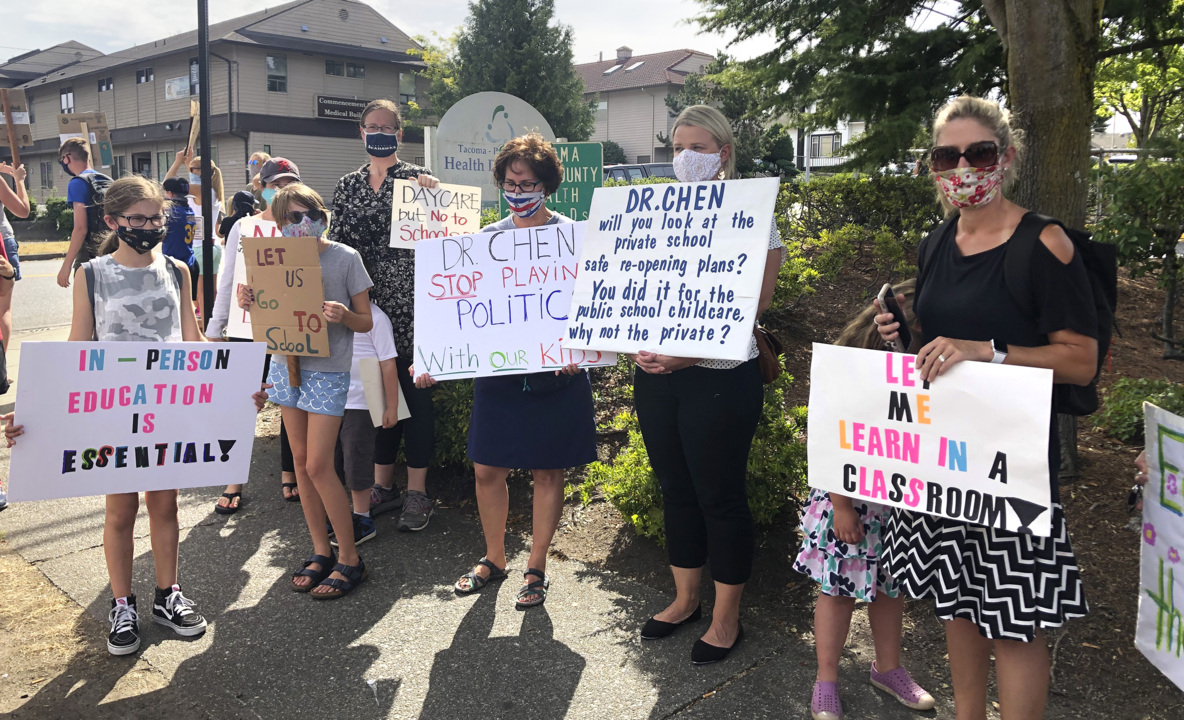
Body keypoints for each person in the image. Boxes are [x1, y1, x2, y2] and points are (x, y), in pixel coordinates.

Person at [874, 96, 1095, 720]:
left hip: (1013, 465)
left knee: (1015, 622)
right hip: (947, 460)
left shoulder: (1044, 242)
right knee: (958, 605)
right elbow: (944, 349)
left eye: (980, 152)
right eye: (947, 156)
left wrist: (988, 350)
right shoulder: (937, 242)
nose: (964, 167)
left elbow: (1080, 360)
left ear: (1008, 157)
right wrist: (907, 339)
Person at [4, 175, 266, 655]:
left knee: (165, 506)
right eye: (138, 219)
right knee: (120, 510)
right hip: (115, 410)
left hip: (168, 407)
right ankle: (122, 604)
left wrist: (236, 388)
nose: (150, 227)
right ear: (112, 220)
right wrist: (35, 408)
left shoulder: (177, 270)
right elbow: (77, 348)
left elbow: (193, 342)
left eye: (157, 218)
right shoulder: (92, 274)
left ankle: (168, 595)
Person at [633, 105, 785, 665]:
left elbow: (754, 303)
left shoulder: (752, 212)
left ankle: (726, 619)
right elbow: (630, 283)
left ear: (722, 153)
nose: (684, 157)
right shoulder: (653, 212)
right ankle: (685, 599)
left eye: (696, 147)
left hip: (720, 377)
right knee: (674, 488)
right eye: (677, 147)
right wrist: (635, 340)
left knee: (719, 497)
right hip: (656, 377)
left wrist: (686, 356)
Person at [445, 134, 595, 608]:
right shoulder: (485, 241)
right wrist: (434, 358)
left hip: (558, 376)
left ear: (546, 185)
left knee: (548, 471)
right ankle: (494, 558)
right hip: (500, 376)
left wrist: (581, 348)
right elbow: (460, 311)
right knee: (487, 468)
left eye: (527, 184)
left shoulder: (574, 236)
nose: (517, 192)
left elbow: (591, 306)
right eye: (510, 184)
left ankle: (537, 565)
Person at [795, 280, 935, 720]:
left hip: (896, 505)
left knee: (890, 590)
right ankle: (826, 679)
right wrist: (841, 506)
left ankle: (888, 668)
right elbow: (830, 437)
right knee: (837, 592)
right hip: (850, 503)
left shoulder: (929, 371)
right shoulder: (855, 371)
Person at [239, 183, 374, 599]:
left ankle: (349, 556)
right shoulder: (271, 259)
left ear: (322, 215)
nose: (304, 223)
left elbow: (366, 322)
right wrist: (247, 299)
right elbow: (264, 309)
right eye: (293, 217)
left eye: (311, 213)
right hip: (285, 365)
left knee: (318, 465)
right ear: (279, 224)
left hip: (328, 372)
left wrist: (345, 315)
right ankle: (320, 550)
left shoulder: (346, 258)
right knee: (300, 462)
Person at [328, 98, 442, 533]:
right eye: (371, 126)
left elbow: (443, 234)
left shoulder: (418, 180)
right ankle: (383, 485)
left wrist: (434, 192)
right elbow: (336, 245)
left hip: (414, 308)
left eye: (387, 126)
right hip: (366, 311)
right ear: (361, 132)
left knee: (416, 397)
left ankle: (417, 492)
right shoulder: (346, 186)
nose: (379, 132)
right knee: (376, 397)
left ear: (399, 133)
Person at [209, 158, 303, 511]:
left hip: (291, 326)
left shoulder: (304, 224)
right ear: (260, 187)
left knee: (289, 400)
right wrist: (215, 327)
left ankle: (289, 472)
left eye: (289, 183)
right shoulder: (243, 226)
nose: (281, 190)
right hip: (245, 327)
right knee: (242, 401)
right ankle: (233, 477)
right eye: (275, 184)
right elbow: (228, 277)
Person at [332, 297, 401, 547]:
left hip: (362, 401)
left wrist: (392, 406)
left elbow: (388, 363)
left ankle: (362, 518)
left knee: (356, 457)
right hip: (330, 398)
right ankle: (338, 513)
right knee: (332, 460)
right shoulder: (327, 314)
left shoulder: (377, 318)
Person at [167, 150, 225, 316]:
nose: (190, 173)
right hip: (212, 246)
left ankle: (205, 324)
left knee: (199, 294)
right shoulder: (212, 190)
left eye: (192, 170)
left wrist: (177, 162)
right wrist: (188, 162)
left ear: (201, 171)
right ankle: (212, 321)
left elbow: (168, 185)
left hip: (200, 247)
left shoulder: (200, 190)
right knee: (211, 291)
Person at [56, 138, 111, 288]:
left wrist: (66, 265)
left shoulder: (77, 183)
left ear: (67, 158)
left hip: (89, 251)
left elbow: (80, 228)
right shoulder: (107, 180)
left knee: (85, 298)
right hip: (111, 246)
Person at [0, 160, 28, 351]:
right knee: (3, 310)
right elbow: (23, 210)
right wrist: (19, 180)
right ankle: (1, 362)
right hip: (2, 241)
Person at [160, 178, 198, 301]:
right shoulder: (190, 211)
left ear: (170, 194)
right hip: (190, 262)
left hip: (175, 265)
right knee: (189, 303)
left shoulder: (171, 213)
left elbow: (160, 236)